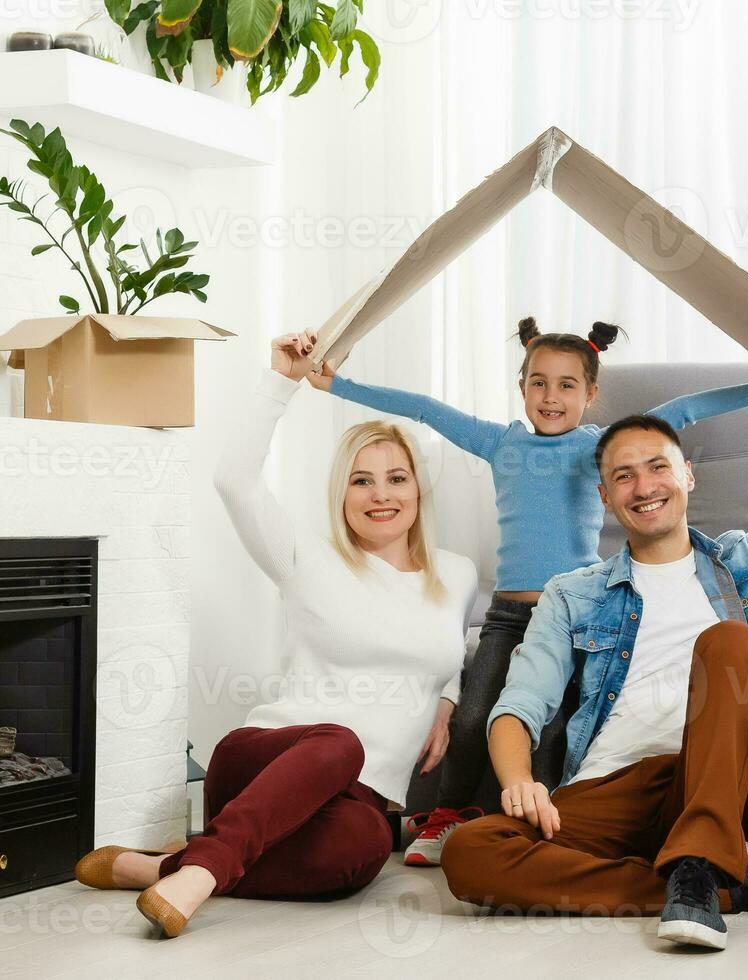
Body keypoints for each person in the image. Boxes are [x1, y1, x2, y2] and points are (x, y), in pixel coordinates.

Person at [439, 308, 748, 951]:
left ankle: (700, 857)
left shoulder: (747, 562)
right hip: (614, 789)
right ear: (606, 498)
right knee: (471, 852)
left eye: (658, 466)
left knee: (728, 641)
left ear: (688, 475)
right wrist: (519, 781)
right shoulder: (571, 595)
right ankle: (721, 882)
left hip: (723, 783)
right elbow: (518, 706)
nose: (644, 486)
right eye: (623, 475)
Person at [311, 317, 748, 866]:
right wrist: (335, 384)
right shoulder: (501, 444)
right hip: (508, 617)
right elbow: (423, 408)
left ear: (590, 394)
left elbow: (683, 411)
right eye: (537, 382)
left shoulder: (600, 449)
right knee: (472, 718)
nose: (550, 395)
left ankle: (537, 821)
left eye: (567, 385)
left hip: (579, 620)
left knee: (556, 724)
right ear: (521, 388)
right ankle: (449, 814)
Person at [73, 332, 477, 938]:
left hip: (358, 800)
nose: (381, 495)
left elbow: (448, 644)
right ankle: (200, 873)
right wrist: (280, 382)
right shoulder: (306, 558)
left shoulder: (457, 572)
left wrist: (445, 699)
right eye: (361, 481)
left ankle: (163, 867)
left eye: (397, 478)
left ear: (419, 488)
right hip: (262, 762)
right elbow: (234, 479)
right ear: (341, 494)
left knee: (360, 855)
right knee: (341, 741)